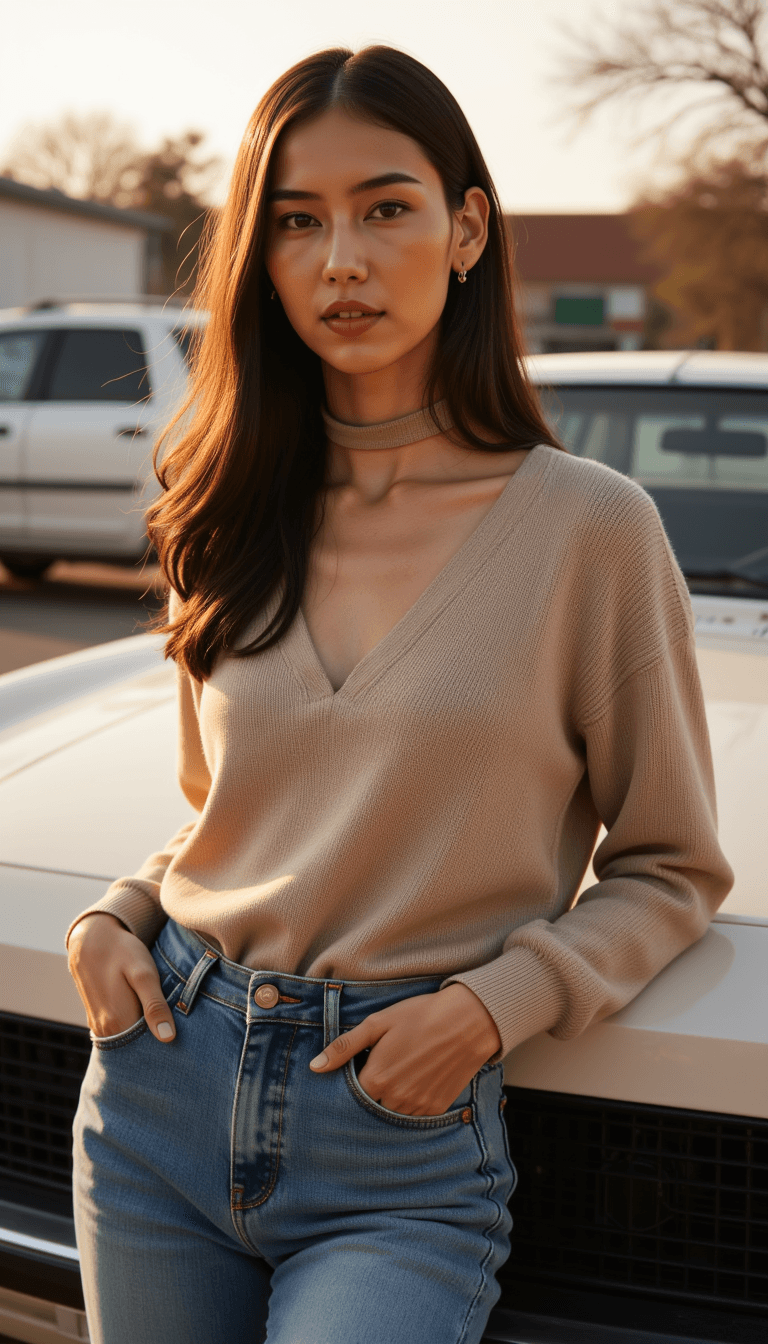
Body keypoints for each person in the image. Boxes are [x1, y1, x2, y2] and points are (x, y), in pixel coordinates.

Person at [65, 44, 733, 1344]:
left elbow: (673, 869)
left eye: (385, 208)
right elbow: (226, 821)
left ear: (468, 227)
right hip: (158, 1095)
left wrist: (494, 1006)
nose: (341, 262)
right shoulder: (220, 508)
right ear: (259, 257)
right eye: (296, 222)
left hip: (397, 1136)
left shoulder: (592, 530)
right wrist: (119, 913)